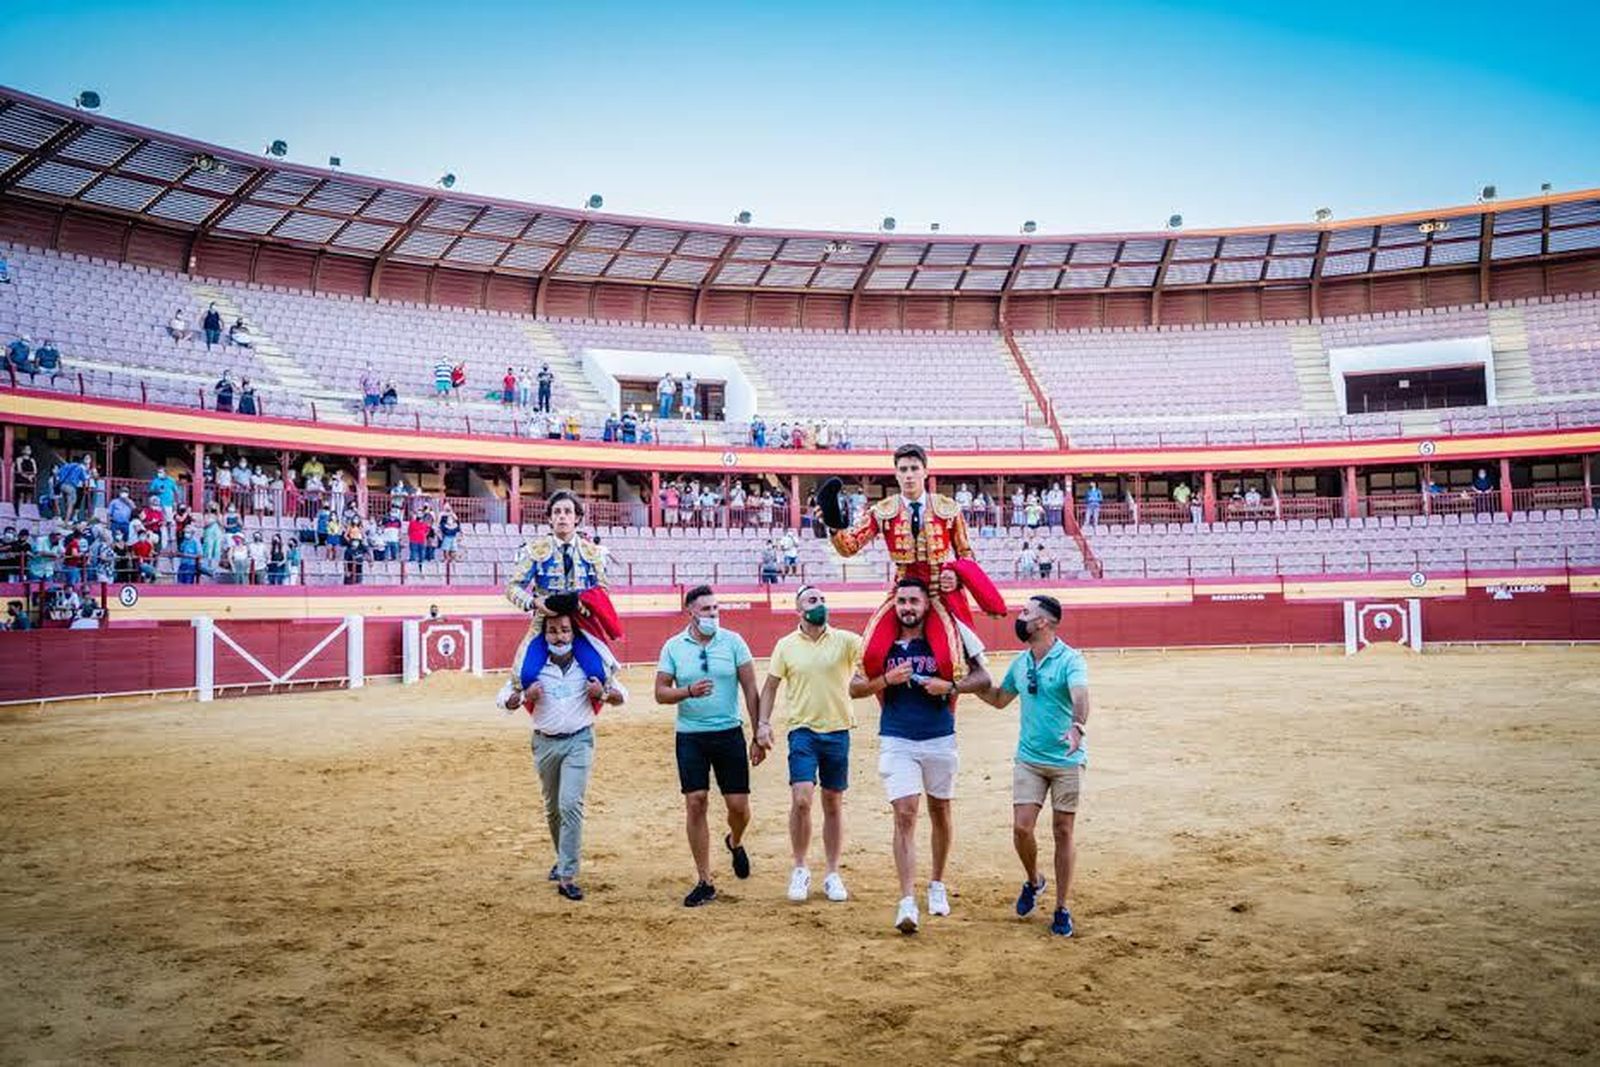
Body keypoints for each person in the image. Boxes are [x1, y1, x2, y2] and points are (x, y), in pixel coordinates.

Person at [850, 577, 990, 934]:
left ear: (927, 603)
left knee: (940, 810)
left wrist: (951, 686)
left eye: (914, 601)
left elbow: (984, 678)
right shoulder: (881, 640)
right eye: (901, 602)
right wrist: (886, 680)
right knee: (905, 814)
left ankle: (937, 883)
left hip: (940, 737)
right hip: (897, 739)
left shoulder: (951, 632)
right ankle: (906, 899)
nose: (907, 608)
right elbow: (854, 687)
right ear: (893, 605)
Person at [817, 443, 1006, 659]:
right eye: (903, 469)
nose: (909, 475)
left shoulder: (949, 508)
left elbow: (966, 555)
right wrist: (833, 525)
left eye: (914, 468)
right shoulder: (882, 511)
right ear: (896, 474)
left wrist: (956, 576)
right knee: (872, 653)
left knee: (953, 659)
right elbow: (849, 548)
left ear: (925, 472)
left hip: (938, 592)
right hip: (902, 594)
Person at [976, 595, 1090, 937]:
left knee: (1063, 831)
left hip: (1066, 759)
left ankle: (1062, 906)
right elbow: (999, 699)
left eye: (1025, 613)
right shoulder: (1020, 663)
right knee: (1022, 828)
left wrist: (1077, 726)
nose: (1019, 616)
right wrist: (967, 685)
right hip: (1029, 759)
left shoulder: (1071, 659)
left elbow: (1081, 696)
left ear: (1042, 622)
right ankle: (1034, 880)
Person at [499, 608, 627, 901]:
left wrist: (603, 694)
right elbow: (503, 700)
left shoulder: (589, 665)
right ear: (544, 635)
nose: (559, 636)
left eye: (565, 630)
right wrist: (522, 698)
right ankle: (562, 858)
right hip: (544, 743)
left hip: (579, 741)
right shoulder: (531, 668)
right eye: (553, 631)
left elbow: (622, 696)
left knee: (570, 805)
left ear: (574, 633)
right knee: (553, 809)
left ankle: (568, 875)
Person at [654, 585, 762, 907]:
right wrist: (687, 691)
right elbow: (660, 692)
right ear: (690, 612)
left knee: (739, 808)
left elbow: (751, 688)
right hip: (690, 734)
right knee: (696, 802)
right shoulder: (674, 646)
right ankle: (704, 879)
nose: (713, 615)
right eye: (706, 610)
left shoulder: (734, 642)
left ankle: (735, 840)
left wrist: (758, 734)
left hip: (729, 732)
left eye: (716, 609)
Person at [758, 586, 863, 903]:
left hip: (838, 729)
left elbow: (873, 655)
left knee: (833, 803)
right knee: (802, 800)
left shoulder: (846, 640)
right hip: (802, 731)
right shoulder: (786, 645)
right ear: (798, 611)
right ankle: (800, 868)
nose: (821, 604)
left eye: (823, 600)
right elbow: (771, 687)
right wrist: (763, 723)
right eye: (812, 601)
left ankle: (832, 872)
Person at [504, 491, 623, 690]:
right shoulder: (536, 550)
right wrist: (534, 602)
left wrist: (585, 604)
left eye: (567, 512)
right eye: (557, 512)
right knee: (523, 677)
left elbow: (602, 590)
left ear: (576, 518)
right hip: (545, 622)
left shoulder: (593, 552)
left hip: (581, 622)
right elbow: (512, 587)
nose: (562, 516)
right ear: (549, 519)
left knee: (601, 675)